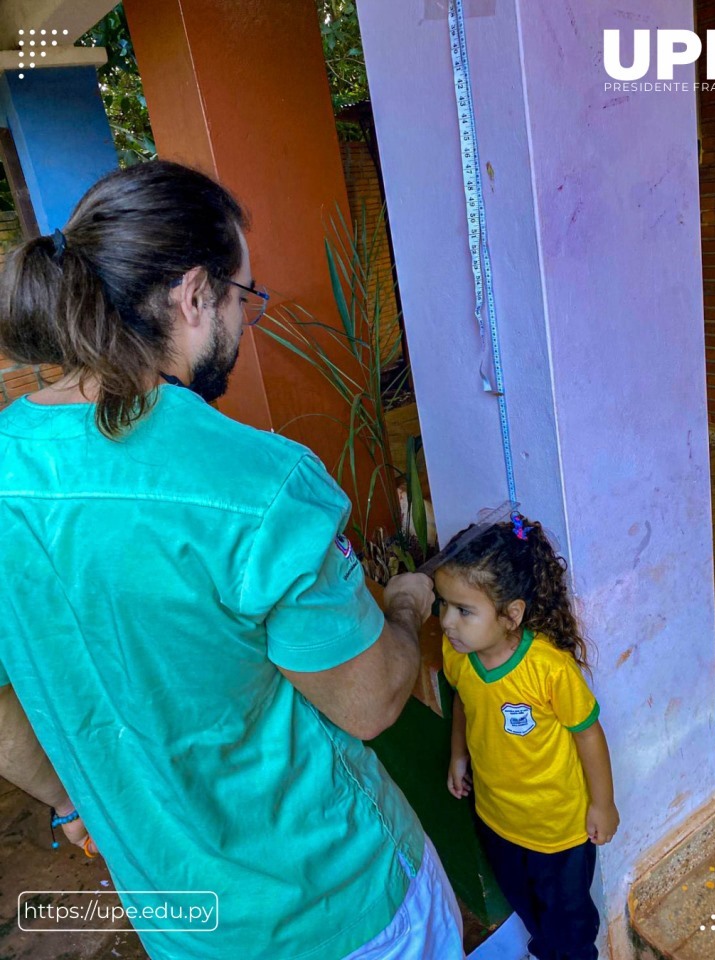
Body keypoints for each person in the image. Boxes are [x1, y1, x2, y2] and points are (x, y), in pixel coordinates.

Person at [0, 159, 464, 959]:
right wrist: (408, 603)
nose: (246, 322)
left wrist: (75, 804)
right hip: (338, 910)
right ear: (191, 295)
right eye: (243, 296)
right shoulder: (256, 484)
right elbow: (369, 701)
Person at [437, 515, 619, 960]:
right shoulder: (459, 654)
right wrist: (458, 754)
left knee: (570, 923)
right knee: (528, 907)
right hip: (498, 819)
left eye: (463, 610)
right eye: (443, 604)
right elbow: (465, 701)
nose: (446, 622)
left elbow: (588, 735)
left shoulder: (548, 669)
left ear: (511, 614)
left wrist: (602, 803)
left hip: (558, 830)